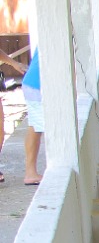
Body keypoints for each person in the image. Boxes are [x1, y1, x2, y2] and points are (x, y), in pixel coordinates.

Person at [21, 48, 42, 186]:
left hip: (33, 84)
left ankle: (31, 171)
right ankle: (30, 173)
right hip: (37, 85)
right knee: (37, 127)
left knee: (35, 126)